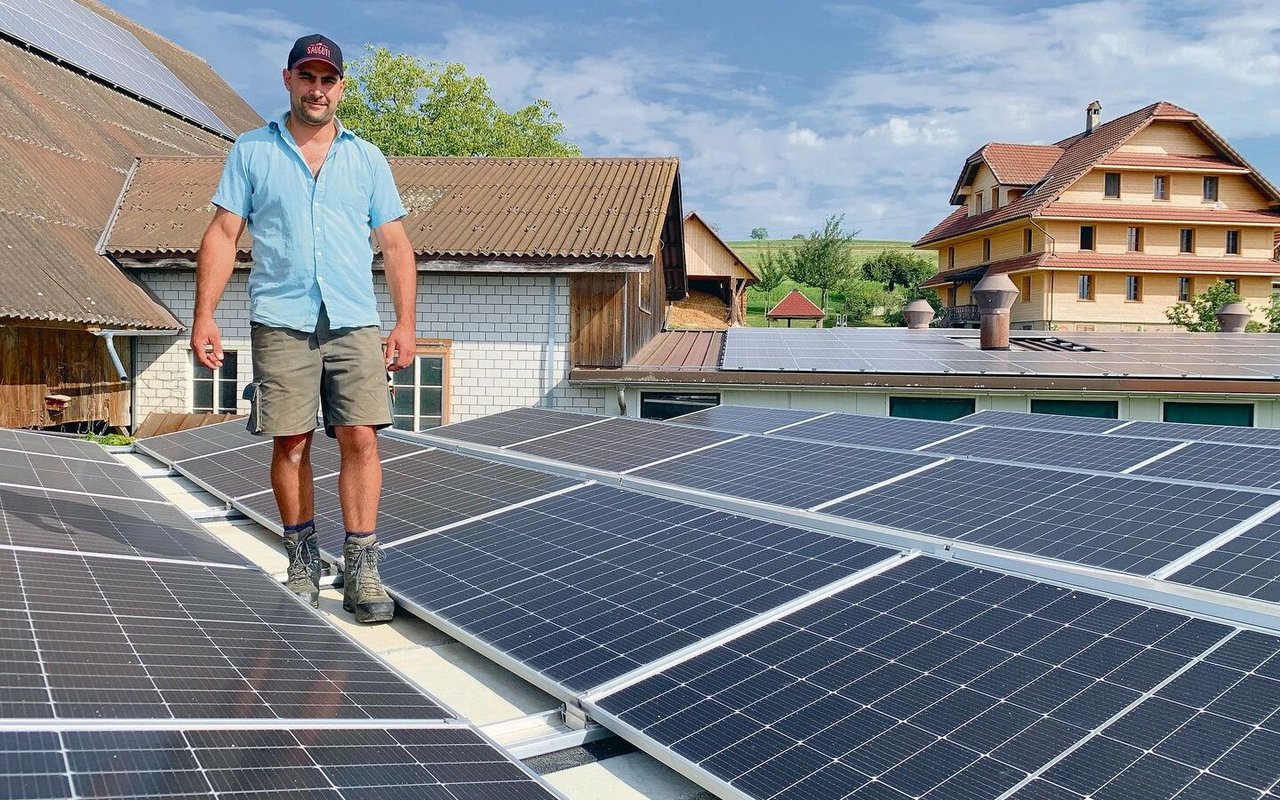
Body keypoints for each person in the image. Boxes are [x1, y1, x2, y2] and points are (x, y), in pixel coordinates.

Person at [191, 34, 417, 623]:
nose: (318, 89)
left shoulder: (367, 159)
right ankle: (302, 560)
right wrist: (204, 316)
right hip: (282, 319)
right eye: (307, 77)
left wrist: (405, 323)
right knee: (290, 441)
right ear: (288, 79)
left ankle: (363, 567)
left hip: (353, 321)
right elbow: (222, 234)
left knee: (361, 439)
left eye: (328, 79)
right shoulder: (251, 151)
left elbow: (394, 244)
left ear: (340, 86)